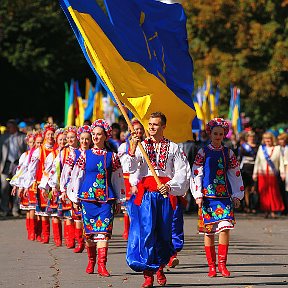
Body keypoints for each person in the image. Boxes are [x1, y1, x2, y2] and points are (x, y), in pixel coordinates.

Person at [126, 111, 190, 288]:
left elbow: (182, 172)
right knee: (147, 233)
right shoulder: (141, 145)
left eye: (155, 124)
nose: (151, 127)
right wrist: (132, 149)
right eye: (150, 124)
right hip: (146, 197)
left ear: (163, 126)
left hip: (164, 195)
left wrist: (170, 186)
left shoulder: (173, 148)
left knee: (163, 232)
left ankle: (160, 268)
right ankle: (148, 274)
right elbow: (130, 168)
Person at [67, 119, 125, 276]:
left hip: (106, 199)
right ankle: (91, 261)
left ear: (106, 136)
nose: (95, 137)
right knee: (90, 234)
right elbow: (77, 176)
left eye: (99, 134)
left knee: (103, 232)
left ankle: (102, 265)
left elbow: (118, 179)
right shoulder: (84, 155)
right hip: (87, 199)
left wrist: (119, 199)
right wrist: (74, 198)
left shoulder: (112, 157)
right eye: (94, 134)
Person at [190, 118, 244, 278]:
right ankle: (211, 266)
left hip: (224, 197)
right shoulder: (203, 152)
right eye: (215, 133)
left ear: (224, 134)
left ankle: (222, 264)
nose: (218, 136)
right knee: (209, 231)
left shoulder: (228, 153)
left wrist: (237, 195)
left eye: (221, 134)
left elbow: (235, 173)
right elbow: (196, 172)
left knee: (225, 228)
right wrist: (198, 194)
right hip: (207, 197)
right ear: (210, 134)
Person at [22, 123, 57, 243]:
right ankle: (43, 234)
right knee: (42, 211)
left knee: (55, 211)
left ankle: (58, 237)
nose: (51, 136)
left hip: (54, 185)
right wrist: (26, 185)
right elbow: (31, 168)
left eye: (52, 134)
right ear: (45, 135)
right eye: (48, 134)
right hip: (40, 184)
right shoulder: (39, 151)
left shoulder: (58, 149)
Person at [60, 125, 92, 253]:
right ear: (79, 139)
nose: (84, 141)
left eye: (87, 139)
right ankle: (80, 242)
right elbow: (66, 171)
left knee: (89, 217)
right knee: (77, 216)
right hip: (77, 189)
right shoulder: (74, 154)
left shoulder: (94, 153)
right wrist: (64, 189)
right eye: (82, 139)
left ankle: (89, 241)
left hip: (91, 188)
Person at [38, 128, 67, 247]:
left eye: (65, 139)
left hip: (68, 188)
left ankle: (71, 239)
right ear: (57, 140)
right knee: (55, 213)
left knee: (68, 214)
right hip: (55, 187)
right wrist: (44, 187)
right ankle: (57, 239)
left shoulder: (72, 152)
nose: (63, 142)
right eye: (60, 140)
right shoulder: (53, 154)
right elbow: (47, 172)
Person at [118, 118, 145, 240]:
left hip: (141, 178)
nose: (138, 131)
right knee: (127, 207)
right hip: (127, 177)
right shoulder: (124, 146)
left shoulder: (145, 144)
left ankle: (138, 229)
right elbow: (122, 164)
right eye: (135, 129)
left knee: (139, 205)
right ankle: (127, 230)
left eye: (140, 129)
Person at [252, 131, 285, 218]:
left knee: (273, 192)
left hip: (272, 174)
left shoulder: (277, 148)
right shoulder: (261, 148)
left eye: (269, 138)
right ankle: (266, 210)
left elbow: (281, 161)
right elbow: (257, 162)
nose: (267, 140)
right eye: (265, 138)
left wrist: (282, 172)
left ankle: (273, 211)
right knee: (263, 192)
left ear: (272, 139)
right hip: (262, 174)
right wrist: (254, 173)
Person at [0, 119, 27, 217]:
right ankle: (5, 209)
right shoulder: (3, 137)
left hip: (17, 165)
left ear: (15, 127)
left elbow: (26, 151)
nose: (8, 129)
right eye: (7, 127)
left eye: (10, 127)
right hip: (6, 165)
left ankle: (16, 209)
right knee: (5, 187)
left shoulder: (22, 137)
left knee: (17, 187)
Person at [238, 130, 259, 213]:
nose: (252, 138)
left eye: (253, 137)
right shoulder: (243, 147)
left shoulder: (258, 147)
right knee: (246, 188)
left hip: (255, 167)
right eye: (250, 137)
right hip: (245, 168)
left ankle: (254, 206)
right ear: (247, 138)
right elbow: (239, 158)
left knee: (254, 188)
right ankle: (247, 206)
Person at [277, 132, 288, 214]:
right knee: (280, 190)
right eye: (280, 139)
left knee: (286, 191)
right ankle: (281, 208)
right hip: (278, 171)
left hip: (286, 170)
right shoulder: (277, 148)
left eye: (282, 139)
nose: (281, 141)